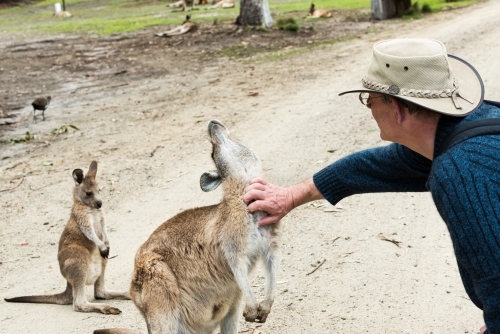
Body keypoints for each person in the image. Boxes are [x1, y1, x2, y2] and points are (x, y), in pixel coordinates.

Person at [243, 38, 500, 334]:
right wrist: (290, 196)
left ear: (396, 108)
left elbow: (496, 282)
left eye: (369, 98)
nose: (368, 108)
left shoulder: (459, 170)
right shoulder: (477, 125)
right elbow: (375, 166)